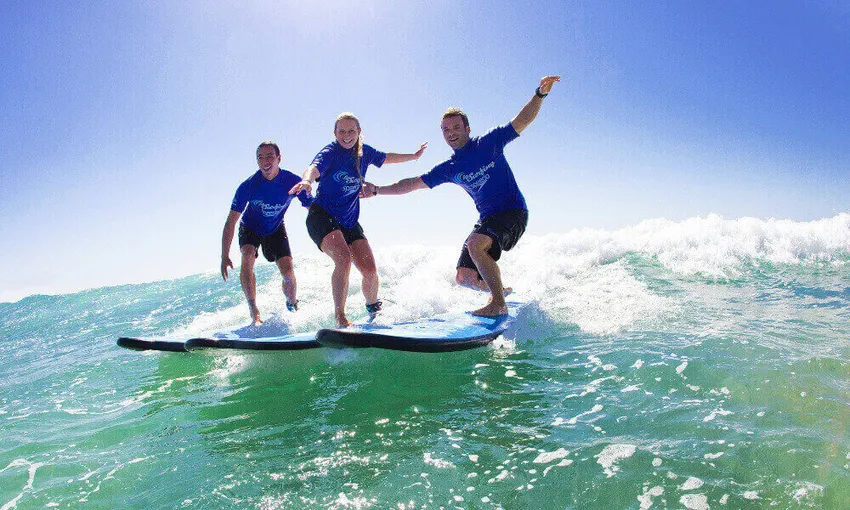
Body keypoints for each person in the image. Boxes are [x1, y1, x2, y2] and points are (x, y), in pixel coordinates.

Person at [361, 76, 561, 317]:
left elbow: (522, 120)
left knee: (476, 245)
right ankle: (501, 292)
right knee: (464, 277)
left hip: (513, 212)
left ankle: (498, 304)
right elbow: (412, 184)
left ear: (467, 129)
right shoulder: (450, 168)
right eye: (445, 130)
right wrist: (377, 190)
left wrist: (540, 94)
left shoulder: (489, 143)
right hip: (488, 219)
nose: (451, 133)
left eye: (456, 127)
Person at [288, 112, 427, 328]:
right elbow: (313, 168)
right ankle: (340, 317)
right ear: (335, 133)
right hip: (322, 216)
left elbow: (387, 157)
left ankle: (374, 311)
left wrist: (414, 156)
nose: (347, 135)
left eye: (351, 131)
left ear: (359, 132)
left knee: (370, 271)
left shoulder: (365, 152)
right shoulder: (330, 152)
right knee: (343, 260)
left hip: (349, 220)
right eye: (342, 131)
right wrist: (307, 181)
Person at [221, 141, 313, 326]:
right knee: (247, 255)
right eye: (260, 157)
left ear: (279, 158)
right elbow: (231, 221)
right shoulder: (248, 186)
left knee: (287, 271)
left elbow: (313, 207)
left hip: (275, 228)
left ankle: (292, 305)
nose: (265, 161)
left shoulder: (292, 181)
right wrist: (224, 255)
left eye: (270, 156)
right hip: (250, 227)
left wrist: (330, 231)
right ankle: (253, 310)